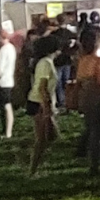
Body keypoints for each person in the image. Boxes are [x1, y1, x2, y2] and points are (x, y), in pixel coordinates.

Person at [75, 29, 100, 172]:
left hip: (85, 97)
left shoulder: (82, 60)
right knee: (98, 132)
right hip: (97, 98)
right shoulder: (97, 61)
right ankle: (95, 163)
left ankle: (90, 159)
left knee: (90, 129)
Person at [27, 33, 60, 175]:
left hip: (40, 102)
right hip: (38, 102)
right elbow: (42, 87)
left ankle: (37, 167)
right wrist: (46, 108)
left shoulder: (46, 62)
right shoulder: (45, 63)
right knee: (41, 140)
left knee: (47, 138)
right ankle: (32, 170)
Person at [0, 24, 17, 138]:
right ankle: (6, 130)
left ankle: (8, 132)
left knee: (6, 106)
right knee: (5, 106)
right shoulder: (12, 48)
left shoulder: (3, 50)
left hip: (2, 81)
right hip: (9, 79)